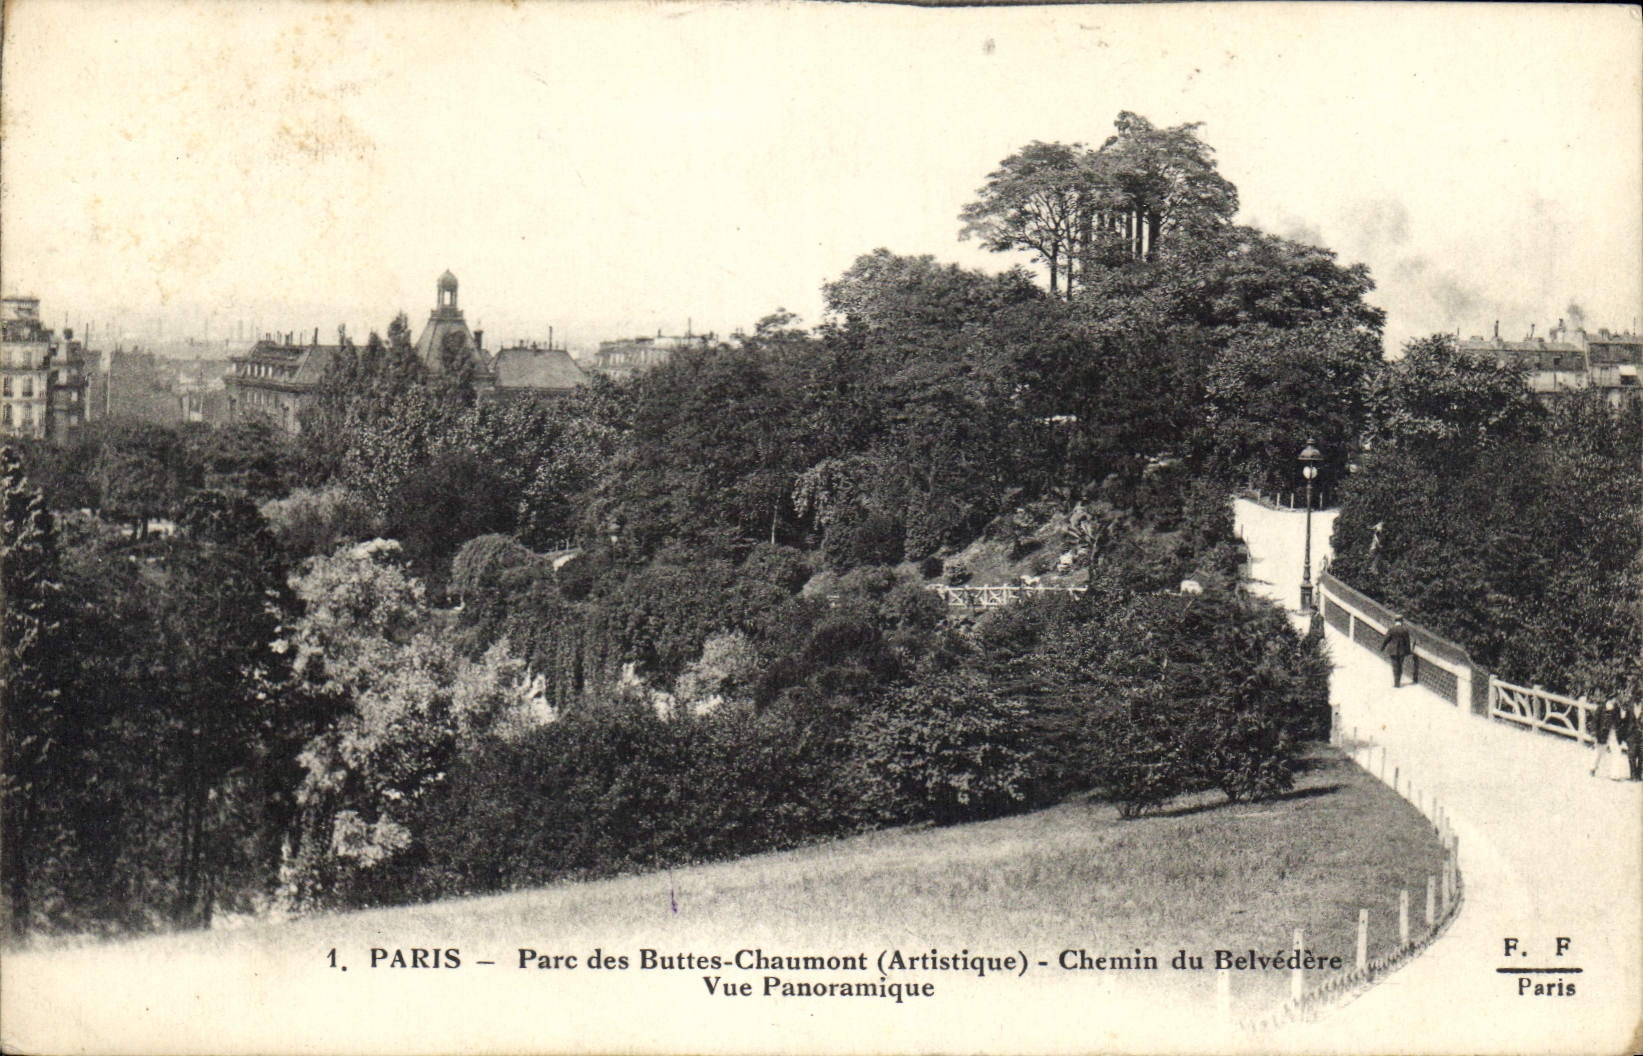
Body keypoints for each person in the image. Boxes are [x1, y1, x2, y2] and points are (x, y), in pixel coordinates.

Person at [1592, 697, 1633, 782]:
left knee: (1617, 751)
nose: (1615, 701)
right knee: (1599, 750)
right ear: (1609, 699)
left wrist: (1622, 717)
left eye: (1616, 700)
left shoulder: (1617, 708)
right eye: (1613, 699)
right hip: (1603, 733)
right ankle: (1593, 768)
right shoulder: (1601, 708)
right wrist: (1594, 733)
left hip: (1613, 733)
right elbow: (1595, 721)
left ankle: (1615, 774)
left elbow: (1619, 722)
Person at [1381, 615, 1413, 688]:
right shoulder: (1405, 630)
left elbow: (1386, 639)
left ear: (1395, 621)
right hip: (1402, 651)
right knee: (1400, 666)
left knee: (1395, 666)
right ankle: (1398, 681)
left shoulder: (1392, 629)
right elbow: (1407, 642)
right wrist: (1408, 651)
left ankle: (1396, 683)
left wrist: (1382, 647)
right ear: (1402, 621)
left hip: (1393, 651)